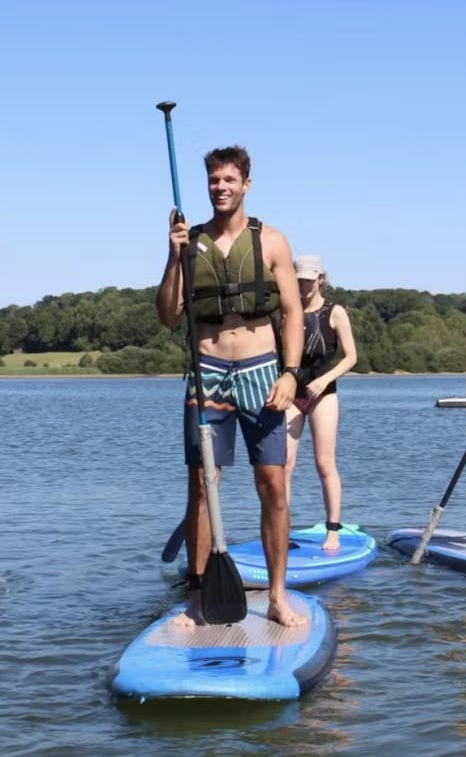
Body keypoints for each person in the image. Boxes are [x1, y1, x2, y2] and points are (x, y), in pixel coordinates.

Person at [156, 145, 306, 628]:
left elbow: (293, 313)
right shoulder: (190, 242)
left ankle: (278, 596)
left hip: (263, 373)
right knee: (203, 488)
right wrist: (172, 256)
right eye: (214, 181)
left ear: (246, 184)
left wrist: (291, 373)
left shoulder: (272, 242)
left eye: (229, 180)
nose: (220, 188)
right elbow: (166, 314)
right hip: (207, 373)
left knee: (273, 486)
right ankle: (197, 598)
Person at [283, 255, 358, 552]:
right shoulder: (288, 310)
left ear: (321, 280)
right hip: (292, 393)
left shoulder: (335, 312)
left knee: (324, 463)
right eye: (298, 279)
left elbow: (351, 357)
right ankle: (281, 532)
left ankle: (333, 531)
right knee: (283, 465)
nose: (303, 285)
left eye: (308, 280)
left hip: (322, 395)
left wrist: (326, 380)